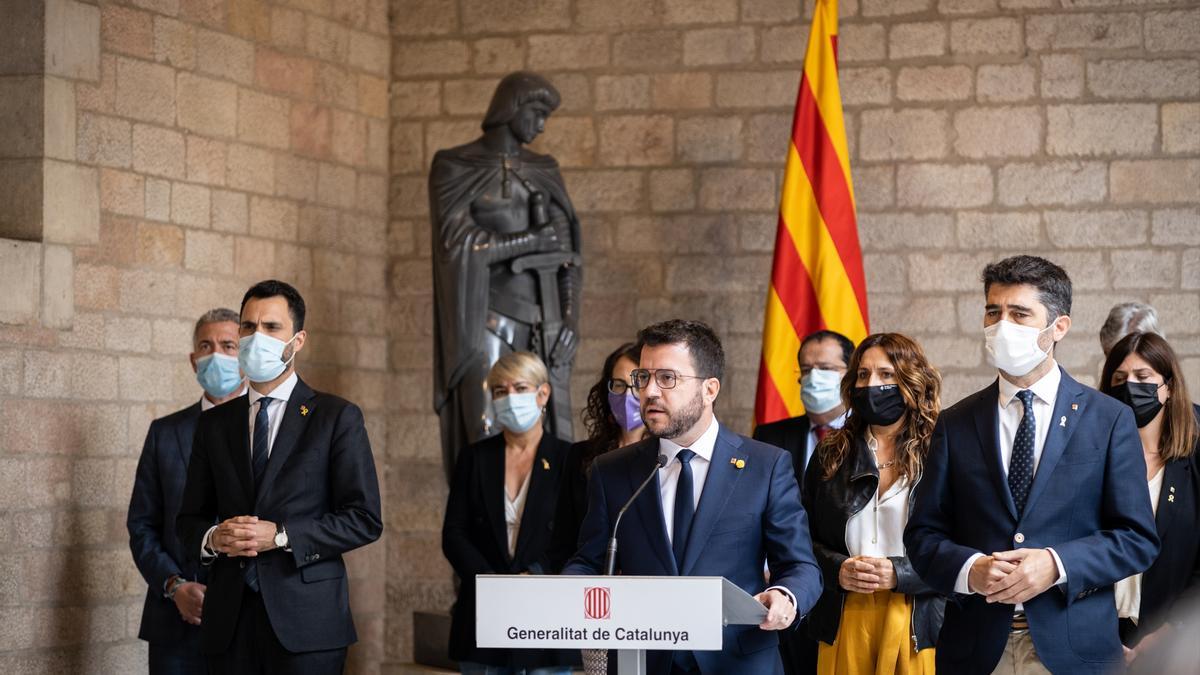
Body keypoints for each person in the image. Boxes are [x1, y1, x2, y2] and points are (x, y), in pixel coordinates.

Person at [904, 255, 1160, 673]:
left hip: (1073, 647)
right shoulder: (955, 423)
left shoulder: (1109, 419)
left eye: (1019, 314)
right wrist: (971, 570)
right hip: (976, 649)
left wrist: (1057, 564)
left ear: (1058, 327)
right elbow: (923, 535)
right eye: (993, 311)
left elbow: (1136, 538)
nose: (1002, 325)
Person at [564, 319, 822, 675]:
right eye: (643, 377)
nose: (648, 391)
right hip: (643, 661)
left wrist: (785, 596)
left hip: (735, 660)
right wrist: (564, 594)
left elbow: (800, 566)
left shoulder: (766, 465)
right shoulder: (612, 471)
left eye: (667, 378)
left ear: (710, 389)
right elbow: (588, 561)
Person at [177, 280, 383, 674]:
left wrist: (282, 535)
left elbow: (364, 519)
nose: (258, 338)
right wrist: (213, 538)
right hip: (229, 623)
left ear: (298, 340)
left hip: (307, 625)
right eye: (249, 327)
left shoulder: (336, 417)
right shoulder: (215, 424)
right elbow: (188, 520)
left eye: (272, 328)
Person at [430, 71, 583, 484]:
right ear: (511, 107)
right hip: (483, 317)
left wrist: (569, 321)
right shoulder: (454, 165)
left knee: (547, 435)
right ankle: (487, 530)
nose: (541, 125)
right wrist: (528, 239)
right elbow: (457, 243)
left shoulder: (543, 169)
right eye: (536, 112)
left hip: (541, 322)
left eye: (546, 116)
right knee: (484, 428)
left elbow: (566, 256)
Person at [803, 333, 944, 674]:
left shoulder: (943, 450)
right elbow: (800, 540)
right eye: (863, 375)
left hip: (914, 618)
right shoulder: (830, 453)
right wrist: (838, 568)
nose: (872, 384)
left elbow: (966, 544)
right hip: (844, 615)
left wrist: (900, 573)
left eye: (886, 374)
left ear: (912, 381)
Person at [128, 308, 247, 674]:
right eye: (206, 346)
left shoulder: (267, 429)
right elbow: (142, 526)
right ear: (194, 360)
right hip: (175, 628)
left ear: (245, 356)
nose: (217, 355)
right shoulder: (164, 433)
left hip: (248, 624)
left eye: (228, 346)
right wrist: (174, 586)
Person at [442, 351, 576, 675]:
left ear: (543, 394)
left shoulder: (568, 458)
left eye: (520, 388)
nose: (509, 398)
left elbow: (575, 536)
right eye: (500, 391)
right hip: (482, 618)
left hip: (547, 620)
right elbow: (454, 534)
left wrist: (535, 575)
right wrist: (493, 584)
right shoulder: (474, 458)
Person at [753, 330, 853, 675]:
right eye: (806, 370)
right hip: (784, 587)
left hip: (846, 588)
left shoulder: (868, 437)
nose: (813, 379)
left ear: (850, 374)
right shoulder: (769, 436)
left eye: (825, 368)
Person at [1098, 332, 1200, 666]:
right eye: (1119, 378)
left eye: (1143, 378)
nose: (1130, 387)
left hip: (1169, 641)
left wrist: (1167, 632)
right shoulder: (1092, 458)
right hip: (1098, 636)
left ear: (1168, 387)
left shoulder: (1193, 460)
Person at [547, 341, 646, 574]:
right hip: (590, 590)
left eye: (637, 384)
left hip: (647, 589)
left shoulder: (666, 455)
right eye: (619, 385)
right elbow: (563, 538)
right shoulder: (581, 456)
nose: (628, 394)